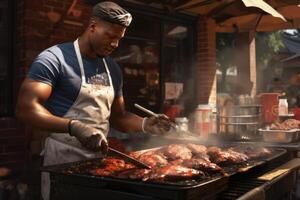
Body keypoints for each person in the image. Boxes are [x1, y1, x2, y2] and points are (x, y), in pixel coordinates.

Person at [16, 2, 170, 200]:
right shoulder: (54, 59)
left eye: (119, 39)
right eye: (111, 36)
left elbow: (119, 117)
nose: (115, 44)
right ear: (93, 26)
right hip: (62, 161)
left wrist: (145, 124)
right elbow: (25, 109)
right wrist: (74, 126)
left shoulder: (113, 69)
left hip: (99, 163)